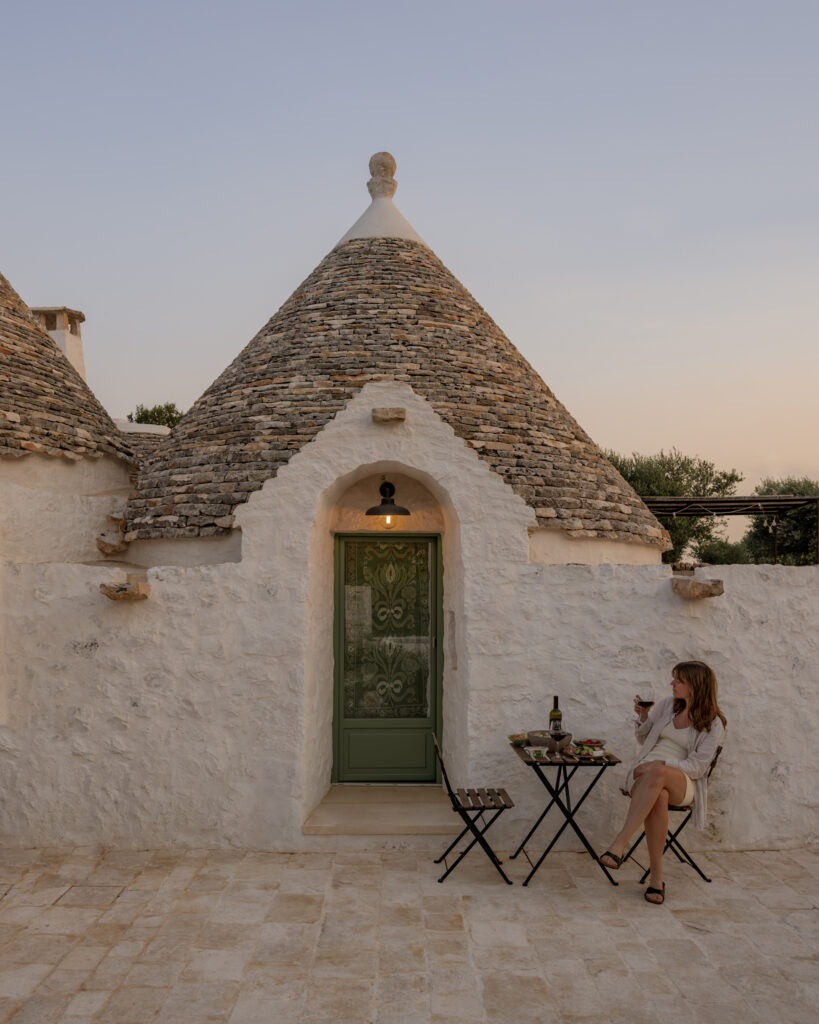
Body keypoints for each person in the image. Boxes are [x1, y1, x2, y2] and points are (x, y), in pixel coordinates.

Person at [599, 660, 726, 905]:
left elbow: (698, 768)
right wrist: (644, 717)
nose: (672, 684)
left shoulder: (713, 722)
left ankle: (620, 843)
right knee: (659, 796)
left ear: (694, 686)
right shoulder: (668, 706)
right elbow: (643, 738)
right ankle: (656, 879)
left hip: (684, 782)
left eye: (678, 680)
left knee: (659, 775)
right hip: (645, 777)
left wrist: (659, 765)